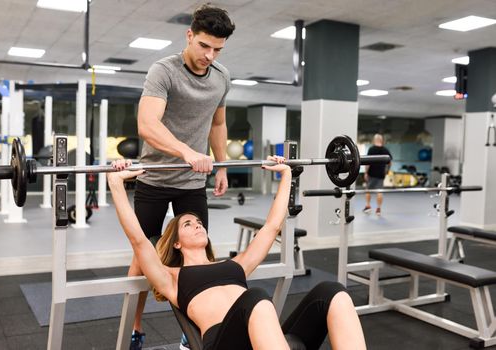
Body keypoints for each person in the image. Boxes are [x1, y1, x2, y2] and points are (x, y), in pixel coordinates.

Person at [108, 157, 367, 350]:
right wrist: (116, 184)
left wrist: (286, 175)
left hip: (264, 334)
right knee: (256, 297)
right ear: (176, 243)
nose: (198, 225)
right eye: (188, 224)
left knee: (333, 293)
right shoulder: (172, 277)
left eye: (198, 222)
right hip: (226, 342)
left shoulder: (236, 265)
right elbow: (139, 240)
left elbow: (271, 227)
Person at [132, 4, 235, 348]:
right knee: (143, 254)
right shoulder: (164, 71)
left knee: (198, 258)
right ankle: (134, 325)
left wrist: (220, 164)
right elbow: (147, 125)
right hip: (155, 178)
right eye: (204, 45)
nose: (210, 55)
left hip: (193, 182)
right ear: (189, 35)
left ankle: (191, 331)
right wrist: (187, 152)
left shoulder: (221, 77)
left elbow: (218, 124)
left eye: (217, 49)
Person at [363, 134, 392, 216]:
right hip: (381, 173)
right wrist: (387, 171)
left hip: (371, 173)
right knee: (379, 191)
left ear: (374, 140)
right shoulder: (385, 150)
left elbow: (367, 162)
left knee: (368, 190)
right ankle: (378, 209)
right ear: (381, 140)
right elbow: (390, 162)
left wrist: (365, 172)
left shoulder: (371, 149)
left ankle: (368, 206)